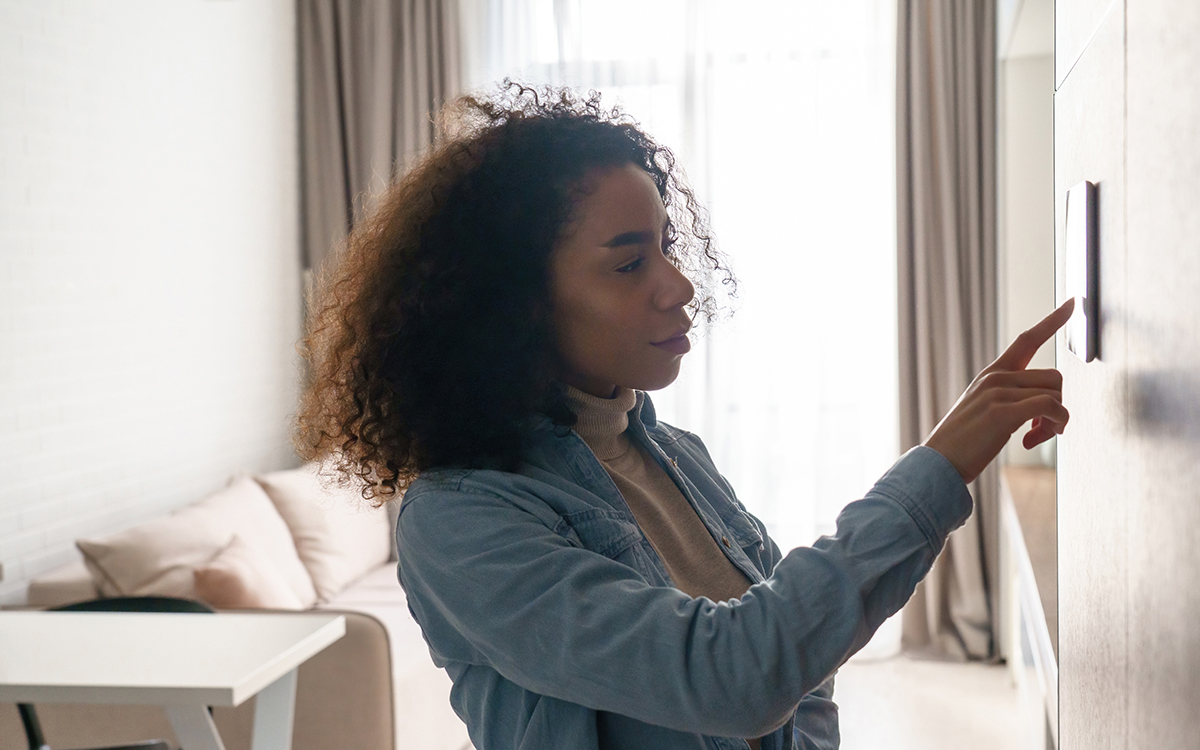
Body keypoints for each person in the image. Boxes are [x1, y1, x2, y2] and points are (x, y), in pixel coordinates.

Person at [296, 83, 1073, 750]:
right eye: (630, 263)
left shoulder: (677, 455)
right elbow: (732, 674)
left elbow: (803, 660)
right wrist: (936, 469)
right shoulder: (461, 519)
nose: (679, 287)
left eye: (667, 248)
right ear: (514, 306)